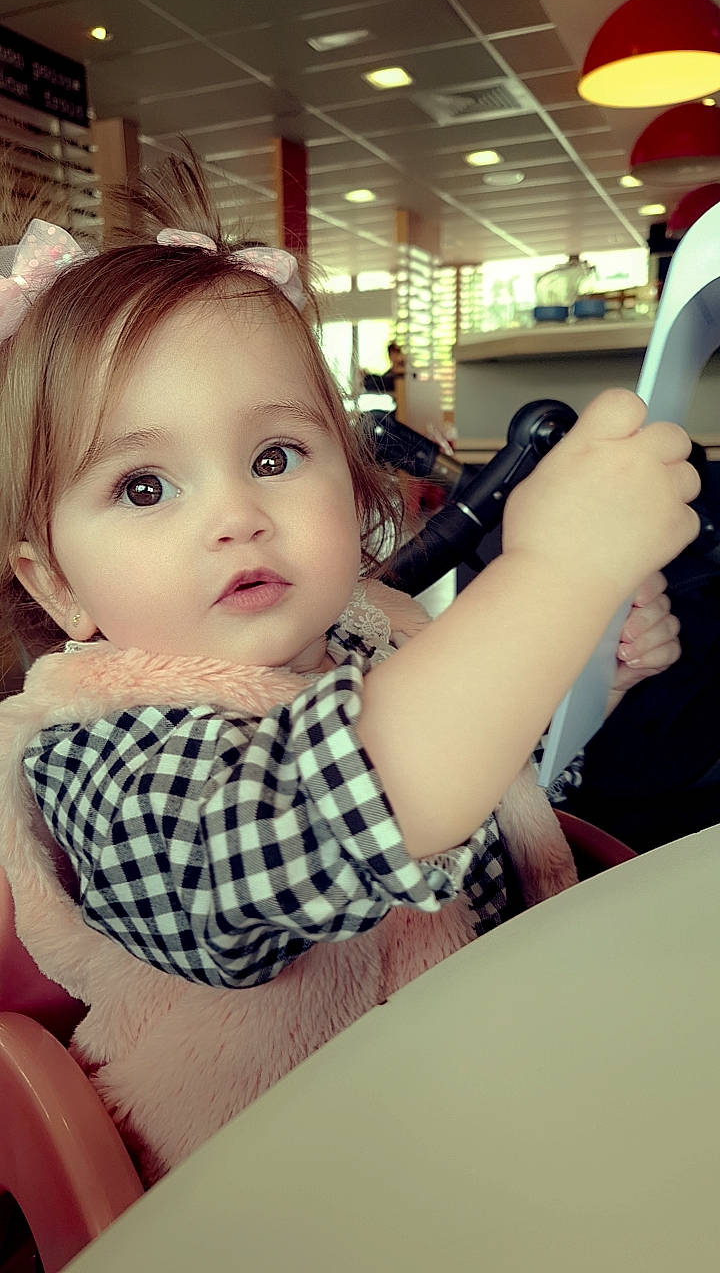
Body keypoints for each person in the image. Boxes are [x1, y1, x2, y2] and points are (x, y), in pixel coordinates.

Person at [0, 148, 698, 1184]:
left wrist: (585, 661)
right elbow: (315, 816)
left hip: (488, 1092)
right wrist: (548, 579)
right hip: (285, 1186)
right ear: (57, 582)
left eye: (274, 457)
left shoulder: (376, 633)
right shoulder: (102, 754)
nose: (237, 514)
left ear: (355, 484)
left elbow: (483, 771)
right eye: (144, 486)